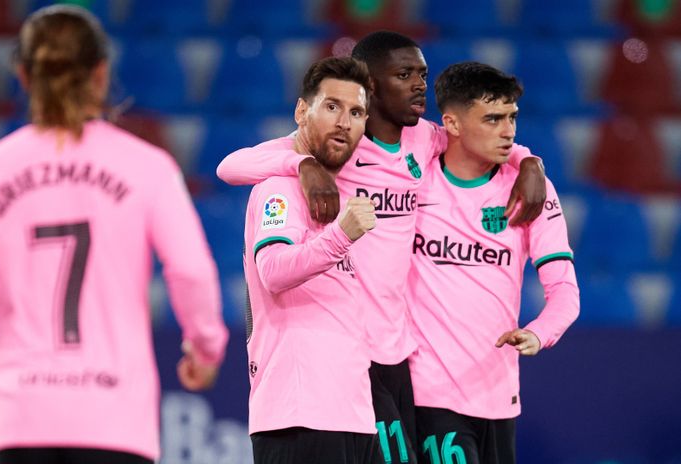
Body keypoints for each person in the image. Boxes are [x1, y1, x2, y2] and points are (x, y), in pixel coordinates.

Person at [0, 6, 228, 464]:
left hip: (17, 423)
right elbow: (192, 272)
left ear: (22, 75)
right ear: (101, 72)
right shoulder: (147, 167)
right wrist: (205, 347)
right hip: (114, 423)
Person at [216, 31, 546, 464]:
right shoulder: (340, 148)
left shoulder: (424, 140)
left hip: (398, 352)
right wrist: (304, 164)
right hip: (353, 352)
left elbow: (475, 133)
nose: (418, 85)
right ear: (372, 86)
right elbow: (229, 166)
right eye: (404, 74)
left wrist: (528, 161)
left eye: (422, 75)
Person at [408, 62, 580, 464]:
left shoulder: (530, 190)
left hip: (500, 397)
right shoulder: (414, 180)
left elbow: (564, 291)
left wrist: (539, 333)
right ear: (451, 123)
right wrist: (529, 160)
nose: (509, 131)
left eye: (512, 118)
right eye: (492, 119)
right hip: (428, 394)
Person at [244, 56, 381, 464]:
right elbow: (273, 270)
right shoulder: (279, 190)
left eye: (356, 112)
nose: (344, 122)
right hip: (298, 416)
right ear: (302, 111)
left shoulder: (337, 190)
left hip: (352, 415)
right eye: (332, 106)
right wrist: (342, 235)